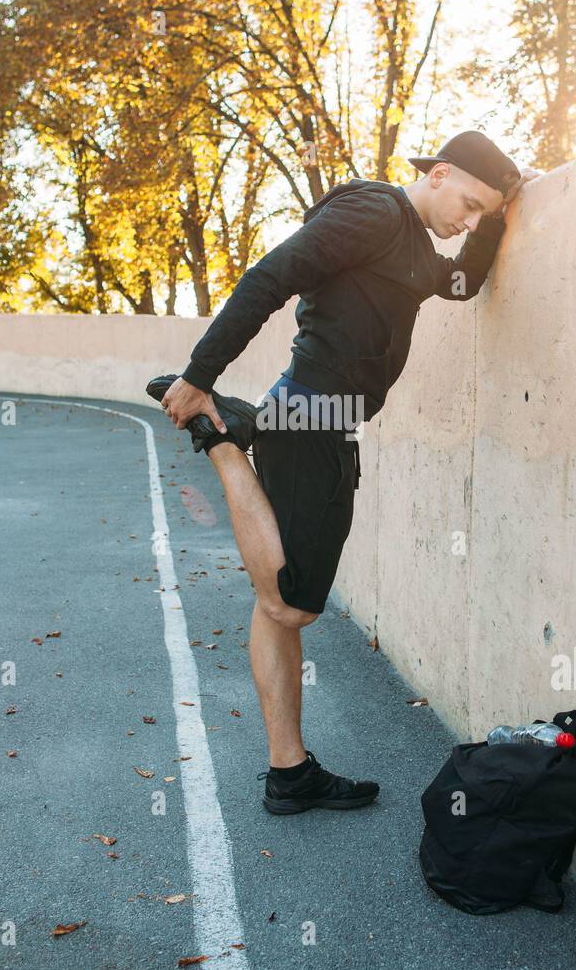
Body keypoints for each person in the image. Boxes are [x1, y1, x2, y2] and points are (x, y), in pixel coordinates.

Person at [148, 131, 540, 815]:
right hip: (310, 423)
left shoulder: (416, 248)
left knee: (281, 612)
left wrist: (503, 210)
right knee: (290, 602)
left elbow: (463, 282)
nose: (468, 222)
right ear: (439, 174)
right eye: (469, 204)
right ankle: (221, 436)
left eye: (481, 216)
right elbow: (270, 277)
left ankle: (289, 773)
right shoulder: (375, 212)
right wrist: (199, 375)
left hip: (319, 424)